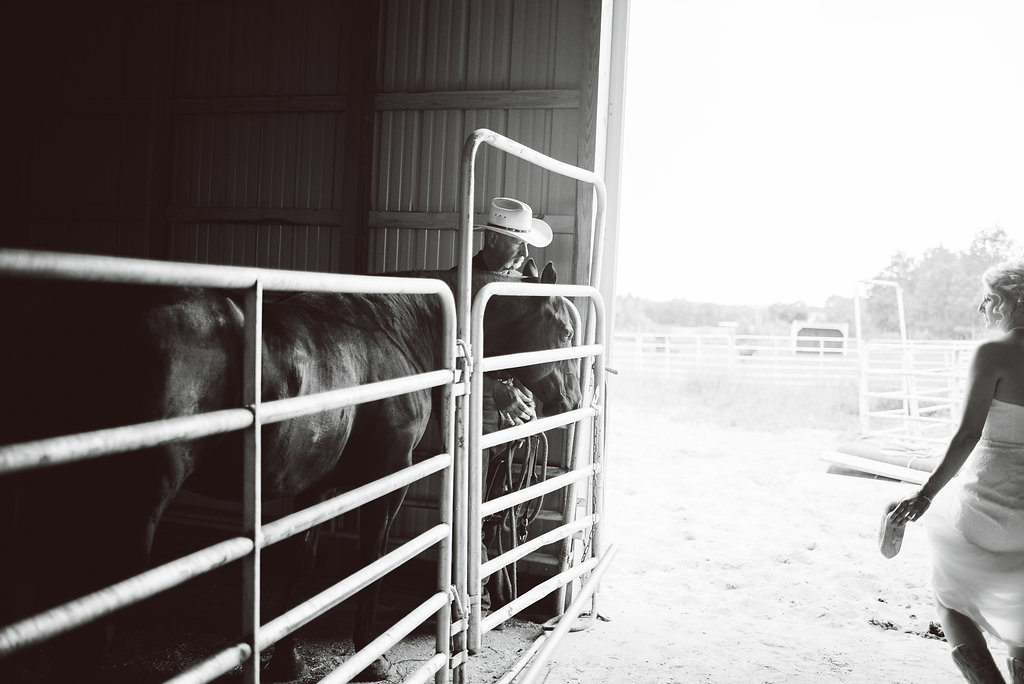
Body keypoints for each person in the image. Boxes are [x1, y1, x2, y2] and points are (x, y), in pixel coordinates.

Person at [890, 259, 1024, 684]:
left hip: (989, 503)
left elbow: (968, 436)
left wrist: (925, 493)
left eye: (988, 298)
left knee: (949, 596)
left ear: (1007, 303)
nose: (982, 308)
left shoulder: (995, 353)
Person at [471, 197, 552, 614]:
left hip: (507, 405)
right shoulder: (465, 285)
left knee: (498, 498)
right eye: (514, 244)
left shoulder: (517, 280)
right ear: (489, 239)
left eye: (524, 245)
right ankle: (475, 596)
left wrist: (516, 387)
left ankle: (496, 595)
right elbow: (458, 350)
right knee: (470, 499)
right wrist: (496, 387)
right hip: (476, 406)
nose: (523, 253)